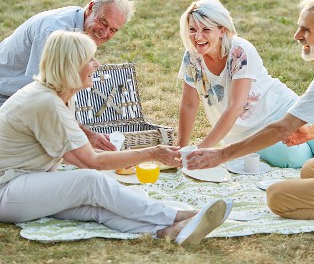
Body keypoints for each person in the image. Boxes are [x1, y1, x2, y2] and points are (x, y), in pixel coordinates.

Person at [0, 30, 232, 245]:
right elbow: (90, 162)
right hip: (7, 189)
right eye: (90, 59)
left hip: (26, 183)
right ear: (72, 66)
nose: (97, 64)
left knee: (94, 207)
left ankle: (167, 232)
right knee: (90, 182)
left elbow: (73, 155)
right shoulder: (46, 103)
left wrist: (123, 157)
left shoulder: (58, 96)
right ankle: (179, 215)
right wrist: (152, 153)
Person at [186, 0, 314, 220]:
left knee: (278, 197)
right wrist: (313, 131)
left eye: (305, 30)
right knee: (310, 170)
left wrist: (221, 154)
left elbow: (281, 129)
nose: (297, 36)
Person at [177, 0, 314, 168]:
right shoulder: (191, 57)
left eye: (205, 29)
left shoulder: (239, 50)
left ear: (221, 30)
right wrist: (181, 149)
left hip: (281, 109)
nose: (198, 36)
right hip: (248, 131)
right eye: (192, 29)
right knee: (296, 158)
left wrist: (202, 150)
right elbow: (189, 104)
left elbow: (235, 107)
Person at [0, 0, 134, 150]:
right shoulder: (54, 31)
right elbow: (43, 99)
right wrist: (85, 134)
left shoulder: (83, 26)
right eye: (103, 22)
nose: (105, 33)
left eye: (113, 30)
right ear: (91, 7)